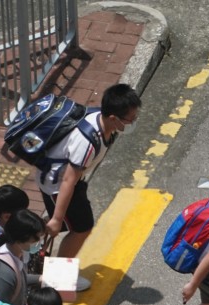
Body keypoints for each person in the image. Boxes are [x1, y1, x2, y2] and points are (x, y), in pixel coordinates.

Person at [39, 83, 142, 291]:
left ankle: (30, 237)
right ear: (114, 118)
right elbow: (68, 179)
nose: (133, 122)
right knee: (80, 229)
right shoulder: (87, 142)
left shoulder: (100, 120)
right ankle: (58, 281)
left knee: (74, 225)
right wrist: (57, 219)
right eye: (131, 119)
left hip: (69, 182)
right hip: (58, 186)